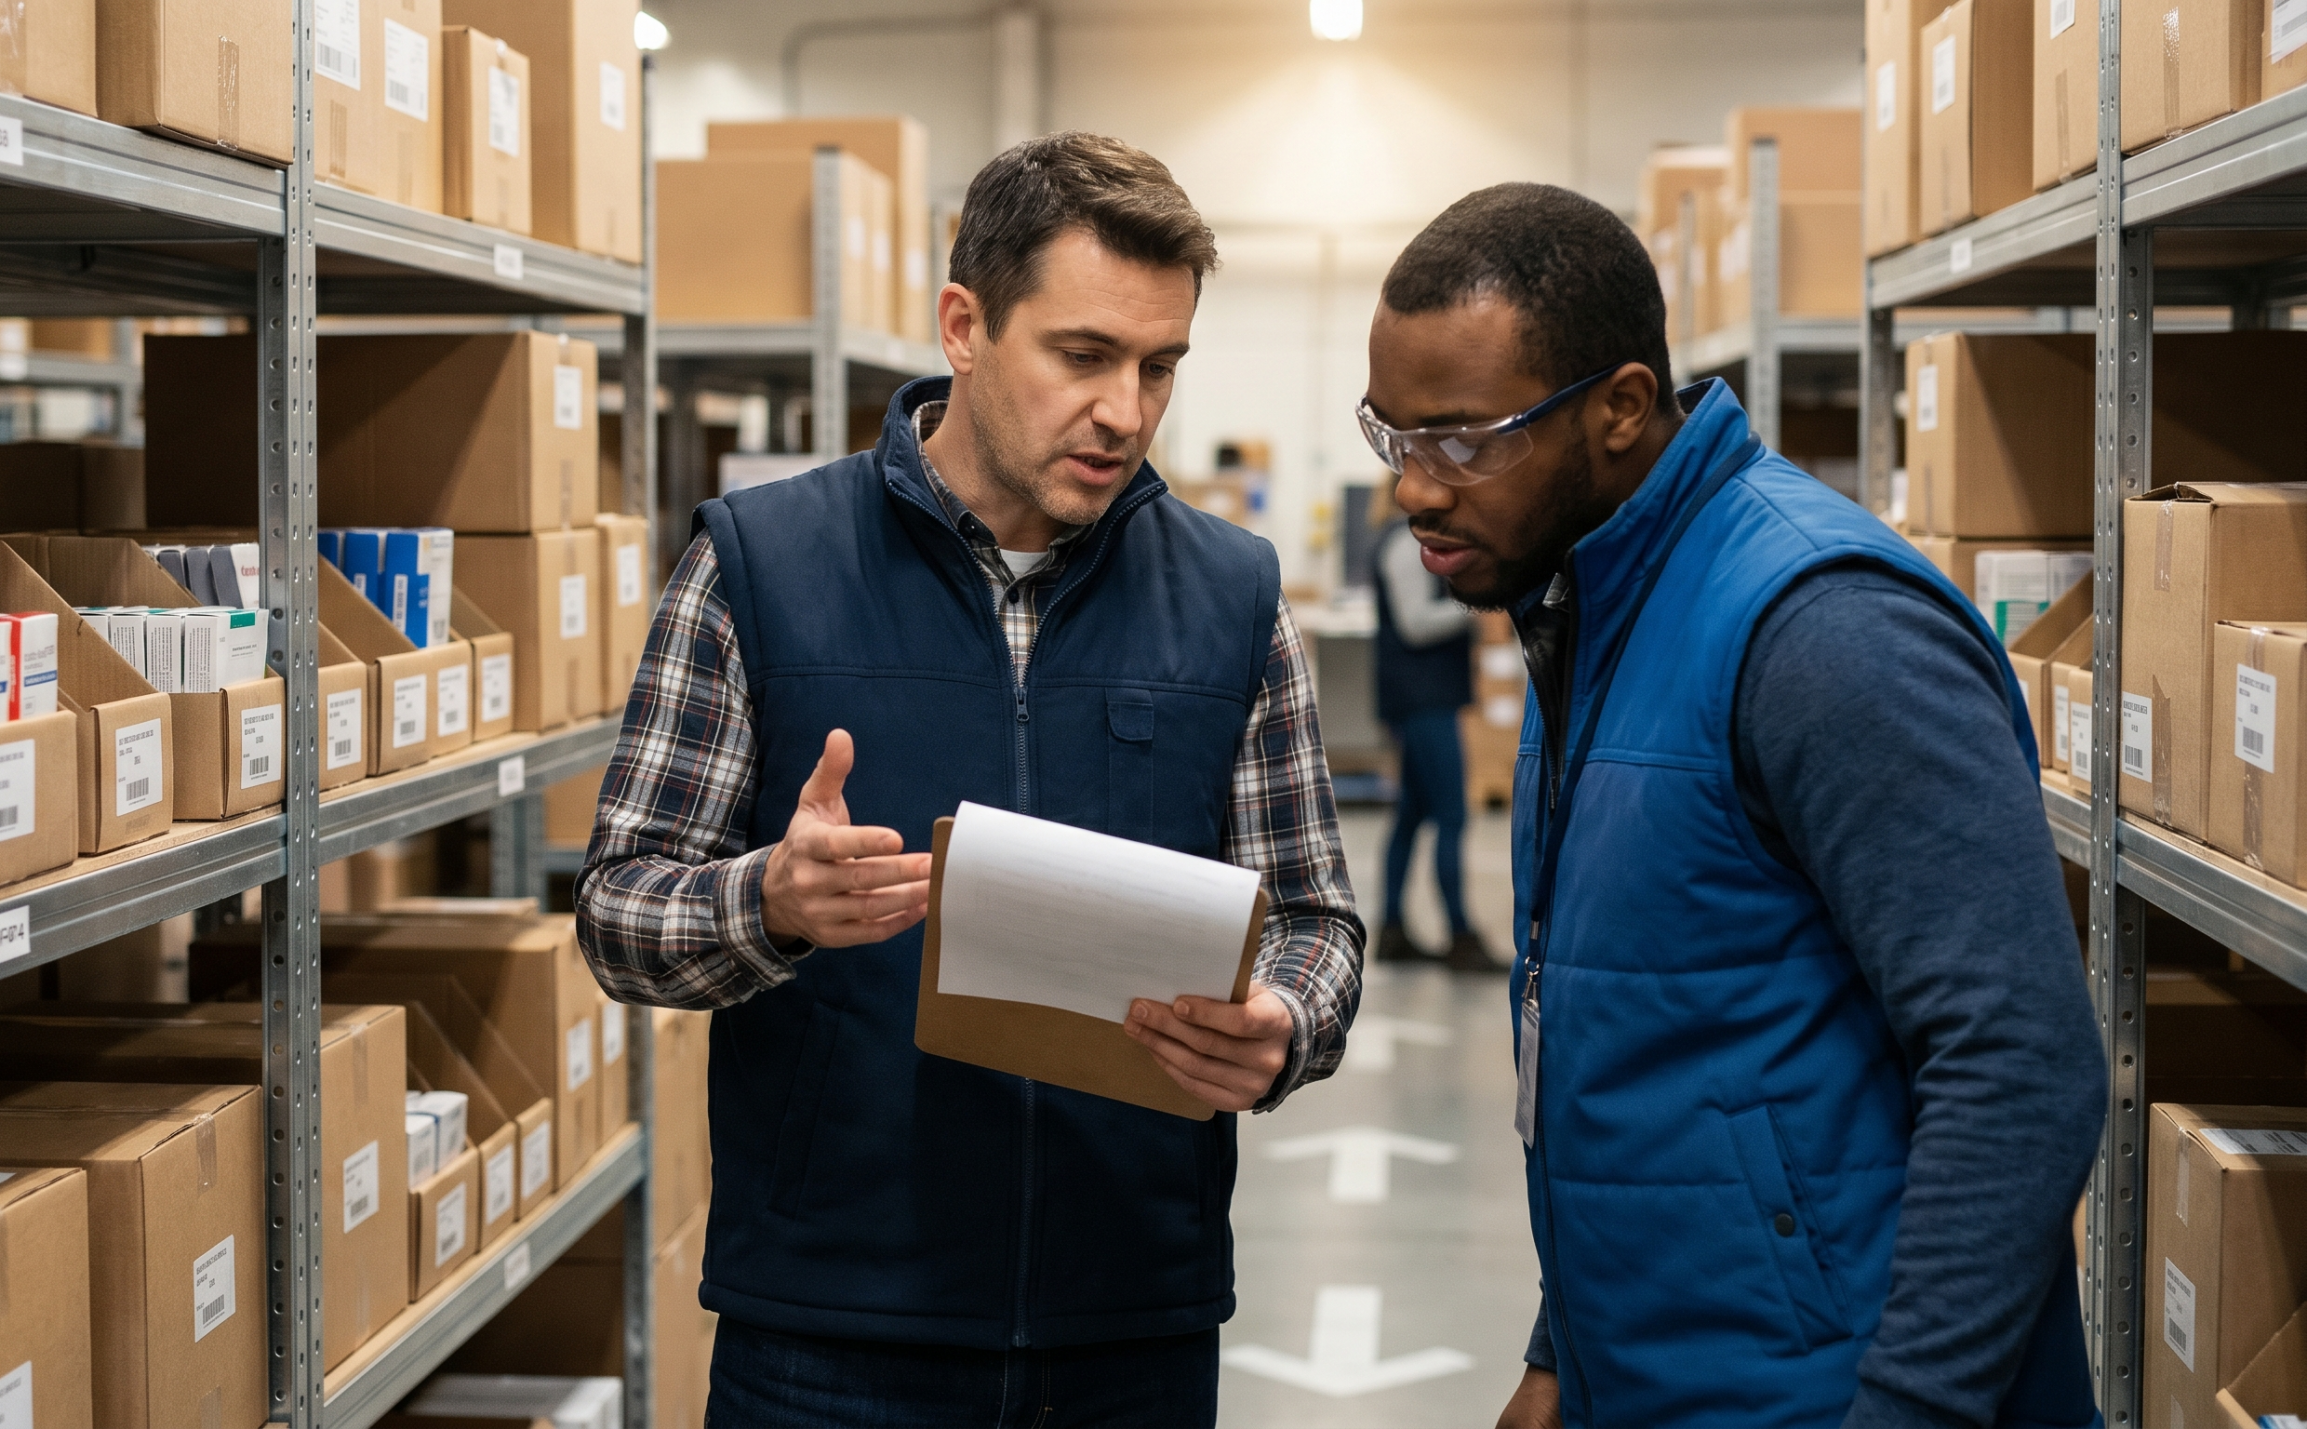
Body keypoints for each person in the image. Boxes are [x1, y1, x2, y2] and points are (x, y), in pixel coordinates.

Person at [575, 131, 1363, 1428]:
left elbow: (1320, 917)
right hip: (828, 1332)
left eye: (1160, 365)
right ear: (964, 324)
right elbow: (617, 914)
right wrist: (767, 900)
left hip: (1131, 1327)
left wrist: (1283, 1023)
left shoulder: (1234, 599)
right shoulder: (761, 565)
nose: (1127, 409)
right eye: (1085, 354)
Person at [1358, 183, 2104, 1429]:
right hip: (1661, 1370)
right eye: (1394, 436)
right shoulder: (1585, 603)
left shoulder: (1822, 631)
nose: (1414, 490)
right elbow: (1647, 1027)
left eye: (1464, 440)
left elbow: (2021, 1065)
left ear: (1621, 408)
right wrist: (1559, 1351)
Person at [1370, 506, 1494, 970]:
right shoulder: (1404, 543)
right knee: (1452, 814)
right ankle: (1460, 934)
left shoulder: (1408, 539)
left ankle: (1393, 930)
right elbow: (1416, 622)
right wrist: (1475, 603)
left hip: (1425, 699)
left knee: (1413, 813)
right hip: (1422, 702)